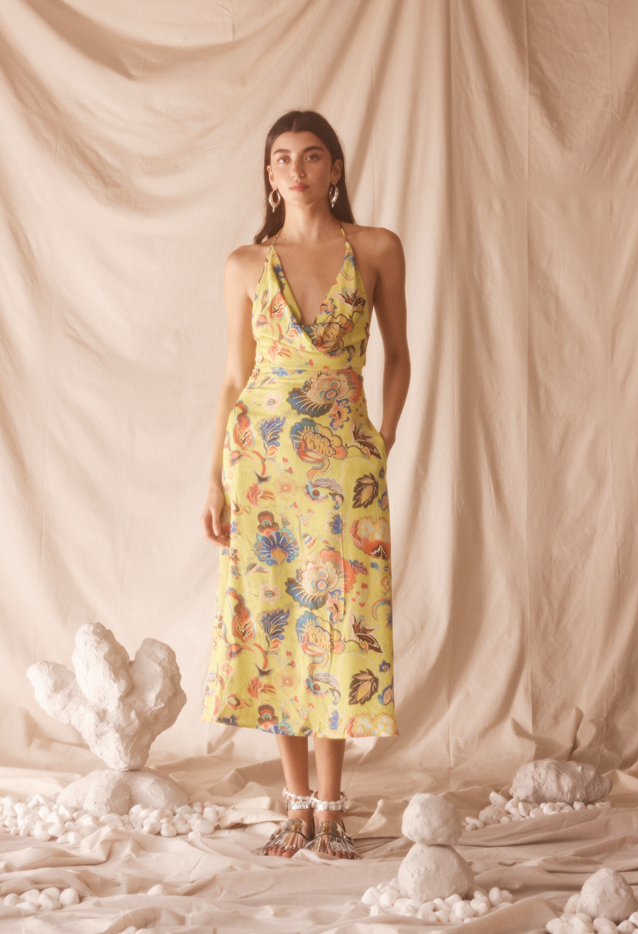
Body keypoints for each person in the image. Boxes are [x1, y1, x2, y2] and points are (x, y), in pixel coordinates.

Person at [200, 110, 410, 859]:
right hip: (262, 466)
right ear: (268, 175)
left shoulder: (377, 248)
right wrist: (215, 480)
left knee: (338, 624)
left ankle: (332, 803)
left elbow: (398, 356)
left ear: (334, 170)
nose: (296, 168)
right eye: (282, 157)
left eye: (311, 156)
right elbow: (234, 377)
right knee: (278, 624)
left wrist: (378, 443)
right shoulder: (244, 265)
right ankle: (295, 805)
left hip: (345, 465)